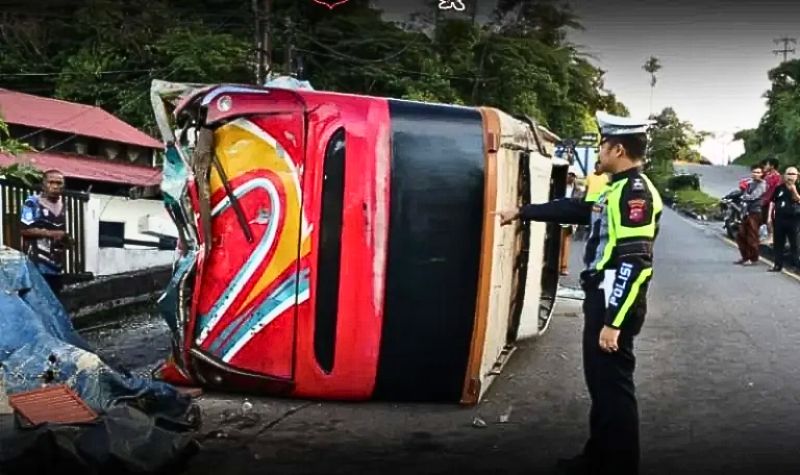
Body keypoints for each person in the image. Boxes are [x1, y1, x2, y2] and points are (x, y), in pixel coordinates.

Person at [496, 112, 662, 475]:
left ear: (618, 149)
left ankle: (618, 465)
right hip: (602, 296)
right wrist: (522, 211)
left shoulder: (635, 193)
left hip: (615, 301)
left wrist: (613, 321)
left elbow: (636, 262)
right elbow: (579, 210)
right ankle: (598, 456)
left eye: (603, 146)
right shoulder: (615, 188)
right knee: (600, 384)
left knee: (614, 388)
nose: (599, 152)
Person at [20, 170, 70, 295]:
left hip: (57, 265)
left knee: (55, 300)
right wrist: (51, 234)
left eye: (59, 183)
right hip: (37, 263)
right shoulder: (32, 202)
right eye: (51, 182)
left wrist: (65, 239)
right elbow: (25, 229)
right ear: (43, 184)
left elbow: (63, 231)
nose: (55, 186)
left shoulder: (63, 204)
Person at [767, 166, 800, 271]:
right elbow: (772, 202)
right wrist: (769, 217)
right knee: (778, 243)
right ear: (784, 176)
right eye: (788, 174)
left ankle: (795, 265)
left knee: (794, 244)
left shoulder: (797, 187)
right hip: (780, 219)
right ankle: (777, 265)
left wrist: (793, 190)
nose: (790, 177)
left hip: (793, 220)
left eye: (793, 174)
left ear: (797, 176)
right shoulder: (779, 188)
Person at [735, 164, 766, 266]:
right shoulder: (750, 183)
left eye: (758, 172)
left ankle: (753, 258)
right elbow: (744, 195)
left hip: (755, 212)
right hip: (746, 212)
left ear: (762, 174)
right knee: (741, 235)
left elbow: (754, 196)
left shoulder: (762, 184)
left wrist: (745, 196)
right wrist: (745, 196)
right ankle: (745, 257)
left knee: (752, 236)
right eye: (754, 172)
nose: (756, 174)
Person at [559, 167, 580, 275]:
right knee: (556, 243)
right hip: (558, 216)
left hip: (568, 218)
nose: (571, 177)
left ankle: (564, 266)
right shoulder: (559, 188)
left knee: (566, 243)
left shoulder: (577, 191)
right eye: (569, 174)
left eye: (573, 175)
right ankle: (556, 266)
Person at [761, 157, 782, 242]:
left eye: (767, 164)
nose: (765, 166)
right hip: (770, 202)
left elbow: (767, 191)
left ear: (772, 166)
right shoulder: (775, 176)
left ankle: (770, 238)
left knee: (767, 220)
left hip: (768, 203)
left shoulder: (772, 177)